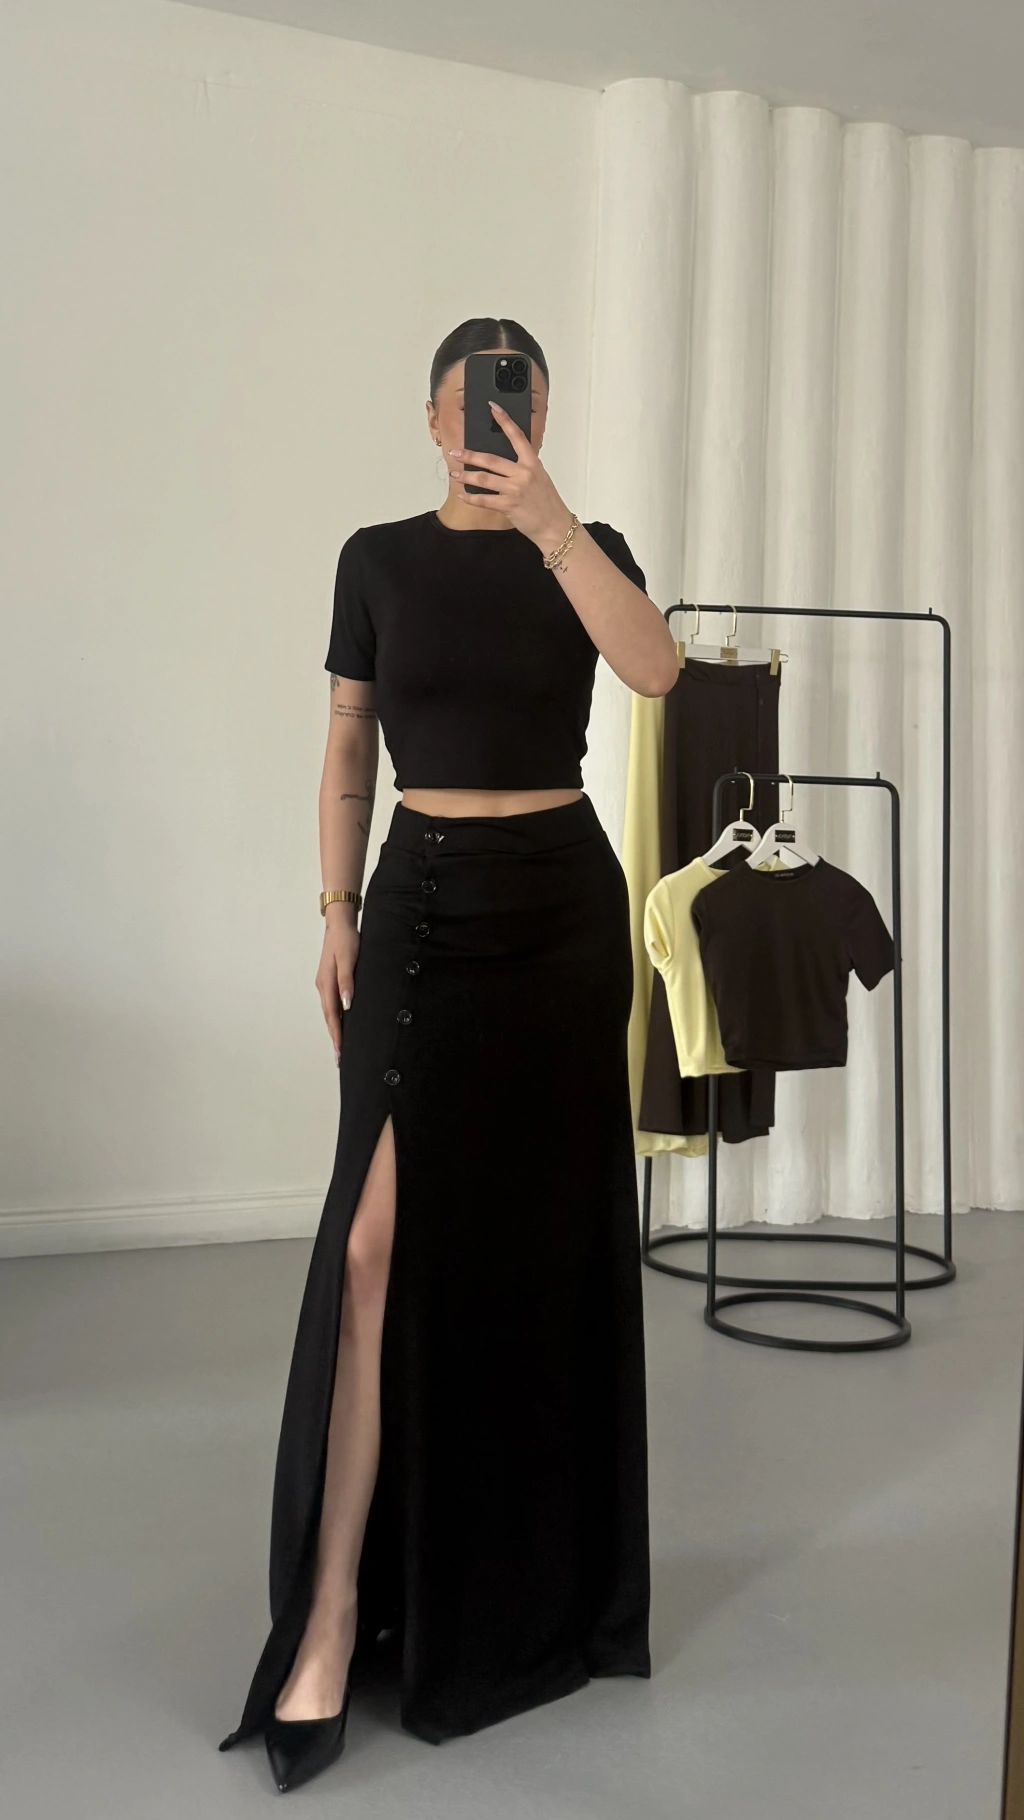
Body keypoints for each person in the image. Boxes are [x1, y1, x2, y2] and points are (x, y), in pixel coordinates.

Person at [217, 317, 679, 1793]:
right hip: (419, 910)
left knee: (536, 1253)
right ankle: (331, 1616)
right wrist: (335, 908)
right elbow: (349, 747)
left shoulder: (585, 546)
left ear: (540, 416)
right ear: (433, 417)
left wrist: (552, 524)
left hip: (560, 915)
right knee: (371, 1248)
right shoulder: (375, 560)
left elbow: (657, 670)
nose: (496, 422)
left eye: (521, 401)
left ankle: (521, 1589)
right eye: (474, 402)